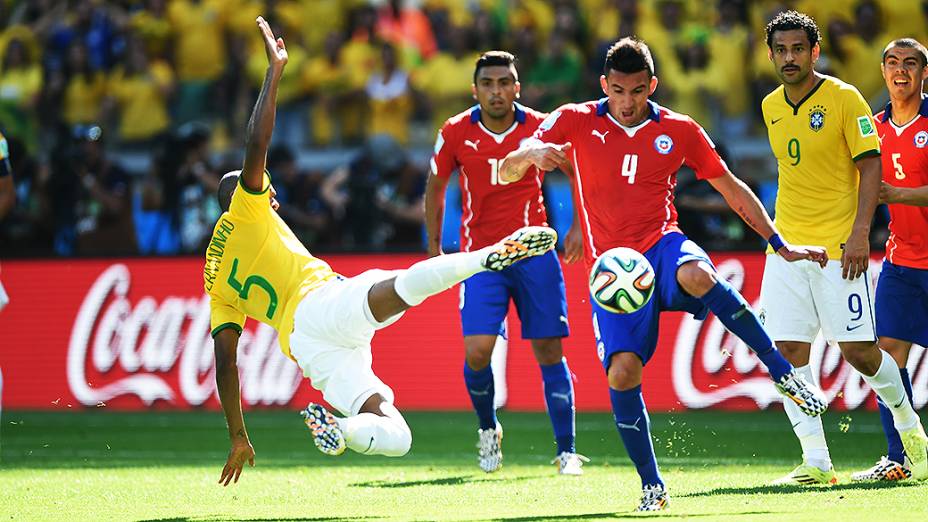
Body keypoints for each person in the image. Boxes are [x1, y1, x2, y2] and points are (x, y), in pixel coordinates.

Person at [211, 17, 558, 487]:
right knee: (396, 288)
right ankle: (488, 256)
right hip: (318, 305)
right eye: (264, 190)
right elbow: (256, 143)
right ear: (246, 196)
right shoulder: (247, 212)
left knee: (397, 433)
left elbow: (225, 362)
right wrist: (275, 71)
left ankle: (342, 428)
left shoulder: (214, 279)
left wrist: (238, 435)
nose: (272, 197)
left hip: (307, 349)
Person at [500, 37, 829, 512]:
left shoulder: (679, 129)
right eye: (618, 91)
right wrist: (529, 154)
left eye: (637, 91)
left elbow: (732, 189)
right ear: (603, 86)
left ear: (652, 85)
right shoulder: (575, 118)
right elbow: (515, 162)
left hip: (661, 244)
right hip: (613, 270)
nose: (628, 102)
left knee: (698, 275)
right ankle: (652, 484)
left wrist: (779, 245)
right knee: (622, 373)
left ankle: (780, 371)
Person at [759, 11, 927, 486]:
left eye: (798, 49)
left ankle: (910, 427)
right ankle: (816, 460)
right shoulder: (770, 104)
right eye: (781, 50)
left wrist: (859, 233)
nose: (790, 58)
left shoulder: (844, 98)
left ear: (815, 52)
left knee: (859, 352)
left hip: (839, 248)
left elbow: (870, 167)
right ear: (771, 55)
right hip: (788, 248)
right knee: (788, 350)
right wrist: (777, 239)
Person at [425, 51, 582, 475]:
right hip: (481, 258)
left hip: (534, 251)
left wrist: (577, 226)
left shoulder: (539, 126)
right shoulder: (455, 131)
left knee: (549, 350)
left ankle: (566, 450)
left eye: (505, 82)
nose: (497, 91)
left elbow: (576, 169)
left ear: (518, 87)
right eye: (488, 83)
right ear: (474, 90)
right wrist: (435, 247)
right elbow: (436, 184)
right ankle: (487, 429)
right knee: (477, 353)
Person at [852, 38, 928, 482]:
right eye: (894, 63)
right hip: (901, 262)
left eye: (911, 63)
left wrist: (894, 193)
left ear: (924, 73)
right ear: (882, 71)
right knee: (887, 357)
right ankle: (899, 457)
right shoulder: (874, 128)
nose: (901, 70)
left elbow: (886, 191)